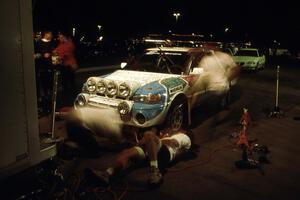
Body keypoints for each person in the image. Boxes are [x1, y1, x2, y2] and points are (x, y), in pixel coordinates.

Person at [86, 127, 192, 187]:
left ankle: (155, 171)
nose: (175, 129)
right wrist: (142, 142)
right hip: (152, 151)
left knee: (149, 134)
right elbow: (148, 142)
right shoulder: (167, 135)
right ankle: (108, 173)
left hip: (165, 153)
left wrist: (160, 138)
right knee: (126, 152)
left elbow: (174, 144)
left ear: (184, 131)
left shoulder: (184, 137)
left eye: (179, 129)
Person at [53, 31, 78, 107]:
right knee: (65, 84)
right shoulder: (62, 44)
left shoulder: (69, 44)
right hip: (64, 66)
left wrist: (59, 57)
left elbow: (66, 53)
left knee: (70, 84)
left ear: (65, 37)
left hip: (69, 66)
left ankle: (71, 102)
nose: (59, 38)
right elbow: (56, 51)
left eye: (61, 37)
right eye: (59, 37)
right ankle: (67, 101)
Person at [34, 30, 56, 116]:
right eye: (50, 33)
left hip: (50, 68)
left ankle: (51, 108)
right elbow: (37, 54)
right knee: (44, 89)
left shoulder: (52, 43)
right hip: (42, 68)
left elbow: (54, 53)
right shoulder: (38, 43)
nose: (51, 35)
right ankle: (44, 107)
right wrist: (43, 55)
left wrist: (51, 55)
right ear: (46, 34)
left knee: (51, 88)